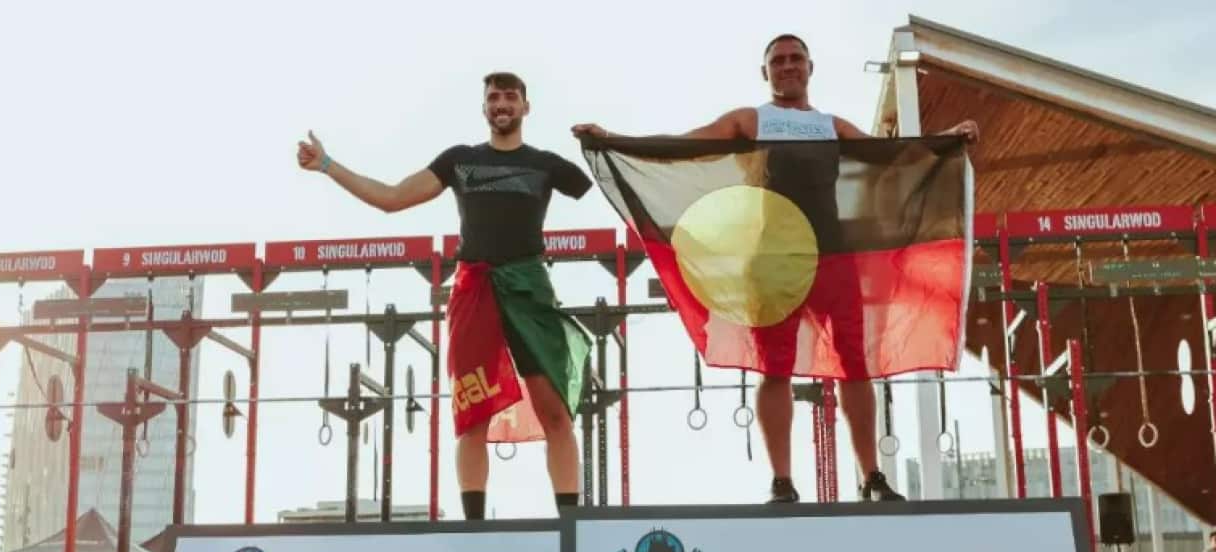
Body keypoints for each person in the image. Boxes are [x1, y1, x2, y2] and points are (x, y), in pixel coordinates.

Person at [574, 33, 978, 504]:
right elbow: (685, 144)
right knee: (775, 368)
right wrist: (614, 141)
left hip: (833, 256)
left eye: (796, 59)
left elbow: (899, 157)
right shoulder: (751, 120)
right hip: (773, 261)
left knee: (855, 365)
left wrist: (949, 141)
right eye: (778, 60)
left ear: (810, 68)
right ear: (765, 72)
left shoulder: (831, 126)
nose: (788, 66)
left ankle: (872, 475)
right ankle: (782, 480)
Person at [297, 72, 593, 520]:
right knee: (472, 416)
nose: (502, 104)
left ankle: (571, 524)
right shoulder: (460, 160)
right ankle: (474, 528)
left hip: (529, 288)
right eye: (493, 98)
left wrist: (602, 142)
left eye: (510, 97)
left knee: (555, 413)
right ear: (484, 108)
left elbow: (604, 183)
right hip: (475, 290)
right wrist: (326, 164)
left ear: (525, 107)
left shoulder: (546, 165)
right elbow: (391, 198)